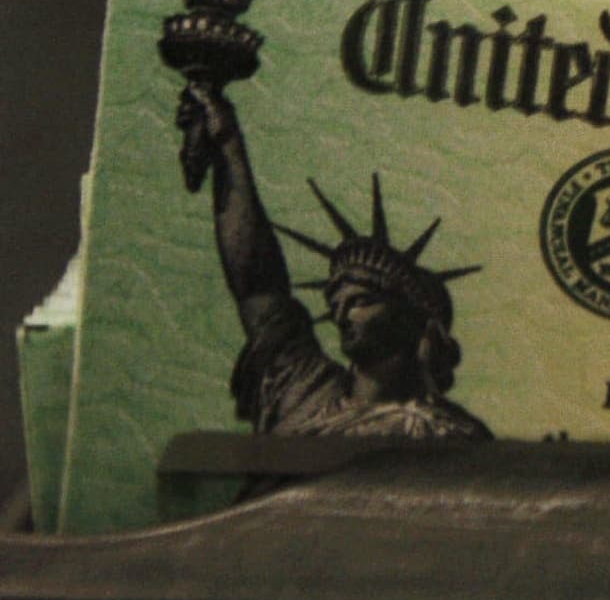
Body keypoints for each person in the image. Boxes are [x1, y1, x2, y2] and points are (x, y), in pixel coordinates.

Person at [175, 81, 491, 440]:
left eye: (360, 301)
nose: (341, 315)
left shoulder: (452, 436)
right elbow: (256, 285)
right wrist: (229, 143)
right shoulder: (307, 393)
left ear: (411, 318)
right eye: (336, 303)